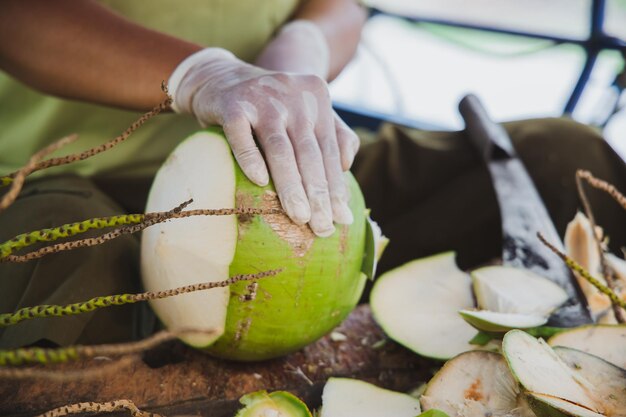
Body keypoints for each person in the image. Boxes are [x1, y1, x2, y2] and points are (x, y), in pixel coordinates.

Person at [0, 0, 624, 349]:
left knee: (560, 154)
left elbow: (341, 7)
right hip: (58, 169)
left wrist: (303, 44)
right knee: (68, 302)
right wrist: (202, 74)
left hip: (284, 146)